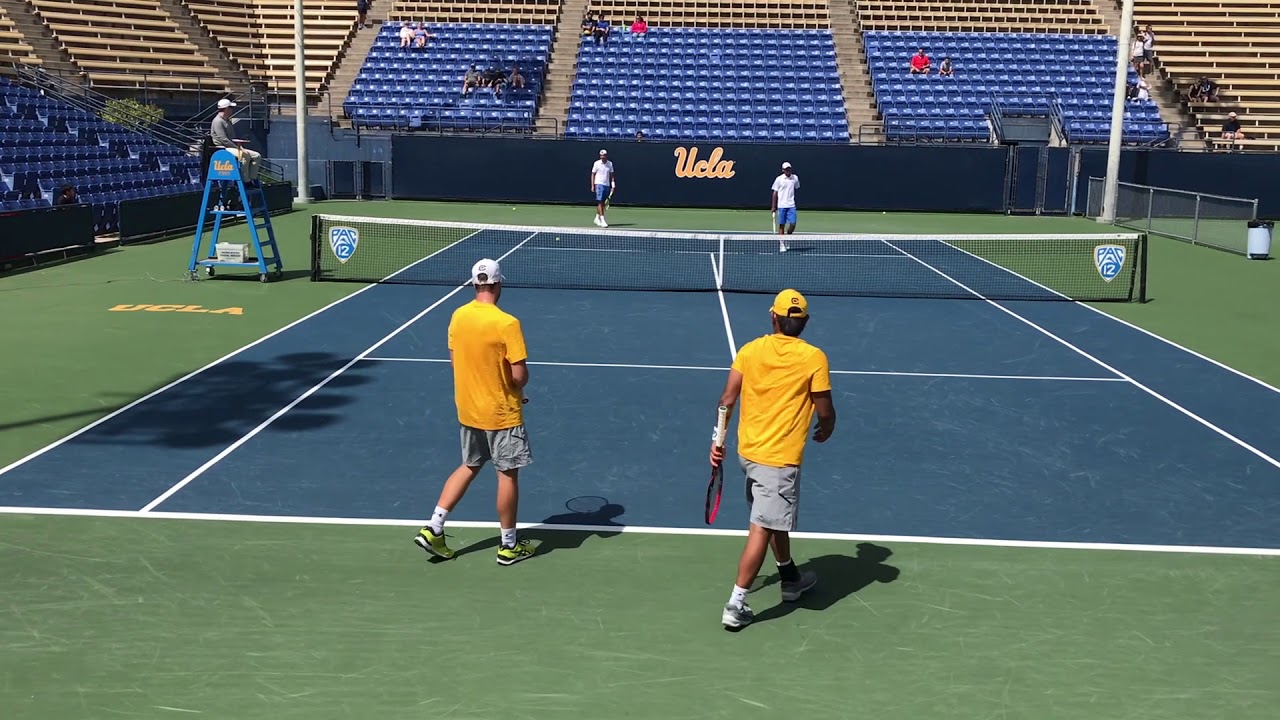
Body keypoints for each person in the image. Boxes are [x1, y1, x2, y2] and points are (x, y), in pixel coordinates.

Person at [710, 289, 835, 630]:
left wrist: (717, 440)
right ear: (805, 322)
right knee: (763, 527)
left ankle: (790, 578)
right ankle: (736, 603)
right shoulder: (814, 357)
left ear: (773, 317)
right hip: (778, 461)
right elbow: (824, 410)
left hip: (748, 454)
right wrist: (827, 427)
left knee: (772, 519)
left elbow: (727, 397)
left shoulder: (750, 350)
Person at [414, 258, 536, 567]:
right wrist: (516, 389)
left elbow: (456, 363)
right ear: (498, 284)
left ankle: (434, 527)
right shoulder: (507, 323)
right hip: (500, 413)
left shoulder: (458, 316)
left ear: (475, 284)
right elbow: (519, 376)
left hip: (468, 410)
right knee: (507, 474)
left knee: (470, 464)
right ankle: (508, 546)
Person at [210, 99, 261, 185]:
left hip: (232, 146)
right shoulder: (217, 121)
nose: (232, 110)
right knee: (244, 156)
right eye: (230, 108)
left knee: (256, 156)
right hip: (223, 148)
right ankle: (245, 182)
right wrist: (238, 148)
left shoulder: (228, 121)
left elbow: (231, 138)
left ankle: (252, 179)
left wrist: (239, 144)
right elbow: (224, 140)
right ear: (226, 109)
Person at [771, 161, 799, 252]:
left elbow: (796, 187)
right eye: (786, 169)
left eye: (789, 169)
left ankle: (787, 237)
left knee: (793, 224)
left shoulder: (795, 178)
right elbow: (775, 193)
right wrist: (773, 206)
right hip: (781, 205)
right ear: (783, 170)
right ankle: (782, 244)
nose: (788, 171)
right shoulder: (779, 179)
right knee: (781, 225)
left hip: (791, 205)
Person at [591, 148, 615, 227]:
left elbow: (612, 176)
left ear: (606, 156)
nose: (602, 157)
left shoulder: (610, 164)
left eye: (603, 155)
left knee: (603, 203)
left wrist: (613, 185)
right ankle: (603, 220)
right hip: (599, 184)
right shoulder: (596, 163)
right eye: (601, 155)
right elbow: (593, 174)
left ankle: (597, 217)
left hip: (607, 185)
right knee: (600, 202)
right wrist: (593, 185)